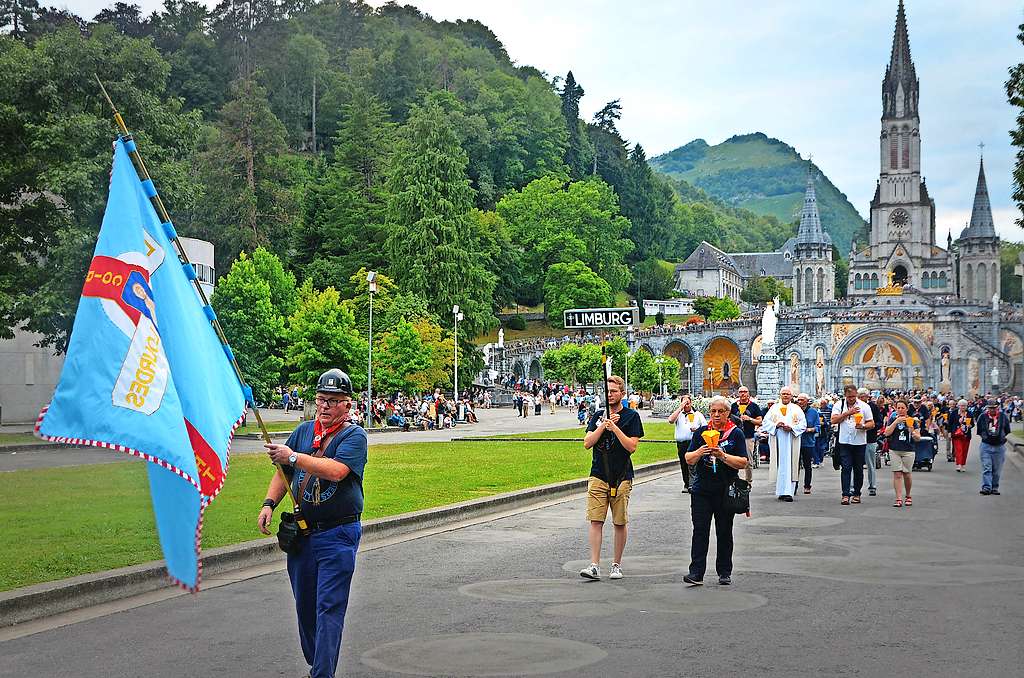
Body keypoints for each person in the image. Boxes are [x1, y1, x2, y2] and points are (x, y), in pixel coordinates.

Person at [257, 369, 368, 678]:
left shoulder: (353, 435)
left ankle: (322, 674)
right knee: (305, 608)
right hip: (303, 536)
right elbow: (285, 474)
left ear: (347, 404)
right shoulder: (305, 431)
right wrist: (269, 503)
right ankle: (316, 663)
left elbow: (336, 471)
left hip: (338, 533)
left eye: (333, 401)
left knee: (329, 608)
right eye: (321, 399)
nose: (325, 406)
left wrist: (293, 457)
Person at [580, 375, 644, 580]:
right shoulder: (598, 415)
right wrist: (603, 425)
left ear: (622, 394)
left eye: (614, 391)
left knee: (619, 522)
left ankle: (616, 564)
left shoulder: (631, 417)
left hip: (621, 476)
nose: (610, 394)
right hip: (598, 473)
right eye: (607, 391)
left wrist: (615, 428)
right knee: (596, 520)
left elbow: (631, 446)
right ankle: (594, 565)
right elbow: (587, 443)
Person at [683, 395, 748, 586]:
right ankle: (696, 572)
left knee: (724, 531)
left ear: (728, 413)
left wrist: (722, 455)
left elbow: (743, 462)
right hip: (702, 490)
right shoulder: (702, 432)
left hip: (725, 490)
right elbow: (688, 458)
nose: (717, 415)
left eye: (721, 411)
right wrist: (700, 452)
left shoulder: (735, 433)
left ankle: (724, 571)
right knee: (700, 531)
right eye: (713, 411)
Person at [830, 384, 875, 505]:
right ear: (845, 395)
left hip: (859, 442)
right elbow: (833, 420)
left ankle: (857, 493)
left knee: (858, 468)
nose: (852, 399)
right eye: (849, 397)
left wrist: (864, 426)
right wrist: (847, 413)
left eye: (854, 396)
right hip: (844, 441)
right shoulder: (839, 405)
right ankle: (845, 494)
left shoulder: (864, 406)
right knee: (845, 468)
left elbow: (872, 423)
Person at [762, 387, 807, 501]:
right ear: (780, 395)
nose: (785, 396)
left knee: (790, 465)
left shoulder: (796, 409)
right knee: (780, 465)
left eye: (788, 394)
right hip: (778, 440)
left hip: (791, 439)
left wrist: (792, 428)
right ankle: (781, 491)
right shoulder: (774, 408)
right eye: (783, 394)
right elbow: (765, 422)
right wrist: (776, 425)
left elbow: (803, 424)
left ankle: (789, 492)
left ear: (792, 396)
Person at [882, 399, 921, 507]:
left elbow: (918, 437)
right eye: (898, 408)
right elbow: (886, 433)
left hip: (908, 450)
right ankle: (898, 498)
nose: (900, 410)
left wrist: (912, 430)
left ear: (907, 409)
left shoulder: (912, 420)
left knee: (907, 474)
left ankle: (908, 495)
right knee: (897, 474)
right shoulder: (892, 419)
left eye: (902, 408)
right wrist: (895, 422)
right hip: (895, 449)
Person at [669, 395, 706, 493]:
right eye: (684, 403)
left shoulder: (697, 414)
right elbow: (670, 420)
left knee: (694, 463)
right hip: (682, 443)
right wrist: (680, 408)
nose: (686, 405)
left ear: (691, 403)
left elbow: (705, 427)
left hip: (693, 442)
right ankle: (686, 483)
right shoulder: (679, 414)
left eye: (687, 403)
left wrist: (697, 430)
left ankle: (693, 484)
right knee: (684, 463)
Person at [977, 399, 1011, 496]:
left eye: (994, 408)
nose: (992, 410)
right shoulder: (982, 417)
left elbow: (1007, 429)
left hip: (999, 447)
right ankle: (986, 487)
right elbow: (979, 430)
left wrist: (1001, 437)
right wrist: (986, 437)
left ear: (998, 407)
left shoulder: (1003, 417)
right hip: (986, 446)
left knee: (997, 470)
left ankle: (994, 487)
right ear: (987, 408)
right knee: (987, 467)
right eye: (990, 408)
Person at [730, 386, 763, 481]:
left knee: (748, 460)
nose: (743, 394)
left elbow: (760, 421)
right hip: (735, 437)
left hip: (748, 437)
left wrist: (750, 419)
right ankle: (734, 480)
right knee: (733, 459)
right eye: (741, 392)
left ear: (748, 393)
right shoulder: (733, 406)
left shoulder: (754, 406)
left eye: (745, 391)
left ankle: (748, 481)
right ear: (738, 393)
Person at [859, 388, 882, 496]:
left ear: (866, 396)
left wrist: (870, 427)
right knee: (855, 464)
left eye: (861, 396)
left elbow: (879, 422)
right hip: (857, 439)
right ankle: (853, 486)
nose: (859, 398)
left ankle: (872, 486)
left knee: (870, 464)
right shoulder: (855, 406)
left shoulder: (873, 407)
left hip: (870, 439)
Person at [798, 393, 819, 494]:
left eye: (802, 400)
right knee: (795, 465)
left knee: (807, 465)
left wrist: (810, 429)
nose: (800, 402)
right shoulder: (795, 411)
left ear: (807, 401)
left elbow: (818, 427)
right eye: (799, 400)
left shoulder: (813, 412)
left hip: (808, 442)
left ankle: (807, 486)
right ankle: (794, 485)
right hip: (796, 442)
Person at [948, 399, 972, 472]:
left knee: (965, 450)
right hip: (956, 434)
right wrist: (949, 432)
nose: (962, 407)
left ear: (966, 406)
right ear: (958, 406)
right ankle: (958, 464)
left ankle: (962, 465)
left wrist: (970, 425)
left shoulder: (969, 413)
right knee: (959, 450)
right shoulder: (954, 413)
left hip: (966, 434)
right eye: (961, 406)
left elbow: (972, 423)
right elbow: (950, 423)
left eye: (964, 406)